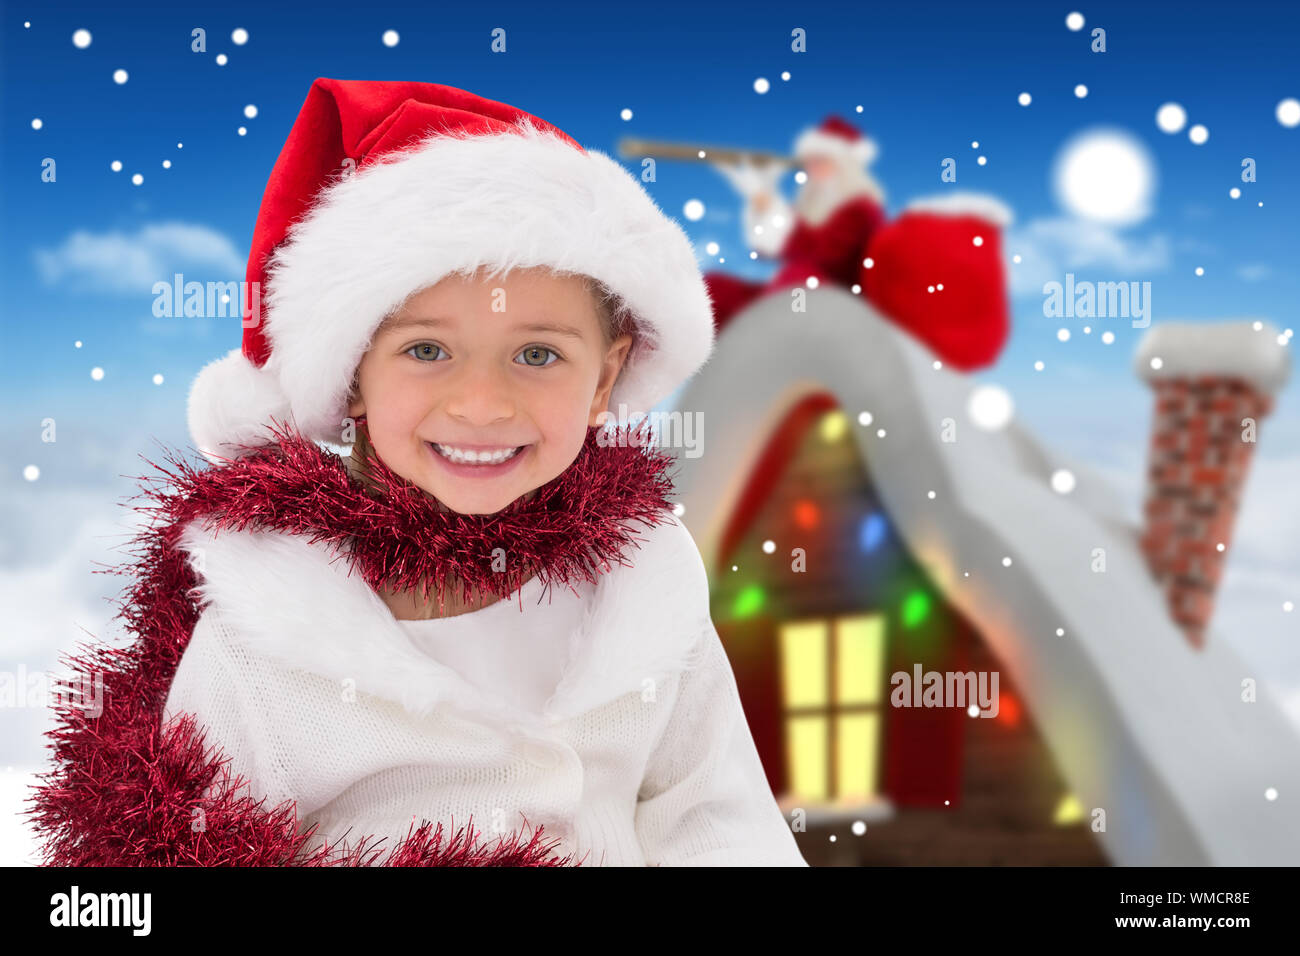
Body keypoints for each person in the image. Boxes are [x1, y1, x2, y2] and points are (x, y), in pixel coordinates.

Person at [26, 78, 809, 868]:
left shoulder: (647, 572)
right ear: (352, 375)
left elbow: (716, 814)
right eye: (426, 351)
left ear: (604, 380)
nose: (480, 404)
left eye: (538, 354)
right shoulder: (271, 626)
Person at [705, 115, 888, 332]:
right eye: (811, 161)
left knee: (800, 278)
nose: (813, 168)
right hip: (794, 293)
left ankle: (775, 350)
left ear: (844, 164)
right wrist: (763, 198)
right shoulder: (814, 205)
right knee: (713, 289)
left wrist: (767, 201)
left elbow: (820, 254)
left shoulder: (861, 208)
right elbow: (771, 250)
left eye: (822, 161)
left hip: (839, 302)